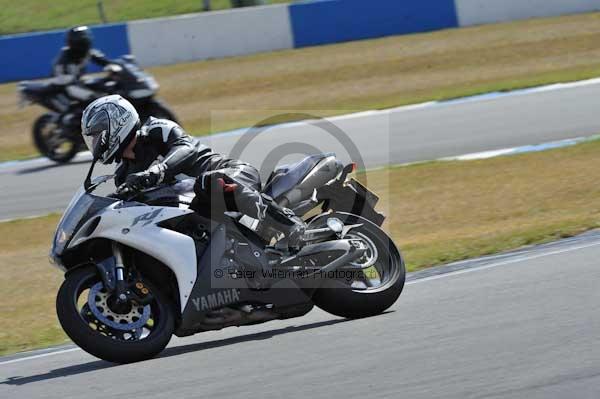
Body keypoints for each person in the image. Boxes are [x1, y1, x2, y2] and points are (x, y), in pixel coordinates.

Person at [80, 94, 305, 247]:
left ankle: (291, 226)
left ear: (117, 123)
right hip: (200, 211)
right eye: (94, 139)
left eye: (99, 135)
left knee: (209, 182)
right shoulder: (124, 176)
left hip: (231, 175)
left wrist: (156, 172)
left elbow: (185, 148)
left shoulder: (157, 129)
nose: (97, 143)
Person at [52, 26, 111, 102]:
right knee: (96, 99)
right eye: (82, 41)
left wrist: (114, 67)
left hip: (75, 83)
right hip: (63, 87)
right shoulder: (66, 60)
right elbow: (66, 83)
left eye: (85, 40)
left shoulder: (87, 52)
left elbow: (105, 62)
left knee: (104, 87)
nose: (84, 43)